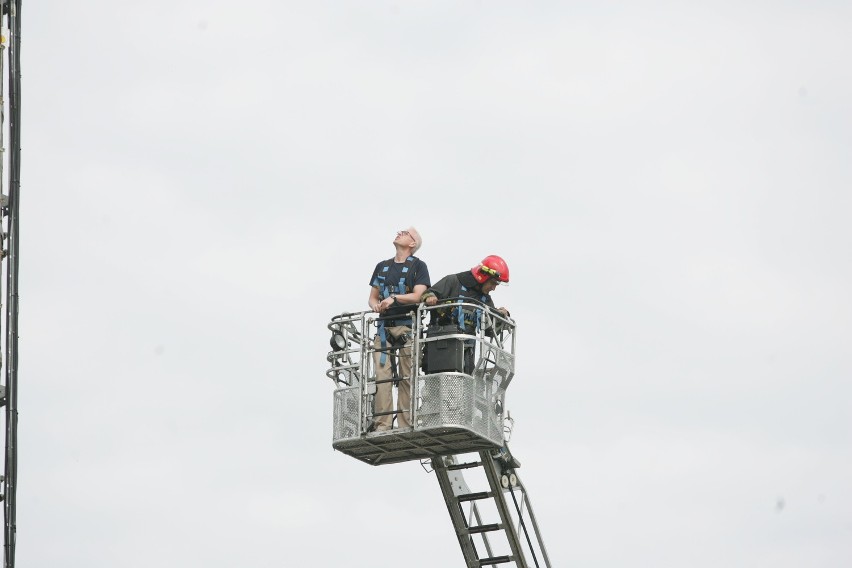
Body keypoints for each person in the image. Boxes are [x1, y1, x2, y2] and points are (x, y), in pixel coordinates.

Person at [367, 227, 431, 431]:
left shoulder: (419, 267)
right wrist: (375, 305)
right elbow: (372, 297)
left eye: (405, 233)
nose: (399, 233)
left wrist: (394, 298)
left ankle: (405, 424)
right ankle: (382, 424)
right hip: (385, 329)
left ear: (412, 244)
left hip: (407, 328)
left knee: (406, 379)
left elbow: (418, 295)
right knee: (382, 377)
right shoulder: (382, 267)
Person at [420, 255, 511, 374]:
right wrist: (430, 297)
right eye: (493, 283)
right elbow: (427, 294)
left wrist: (502, 316)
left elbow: (490, 330)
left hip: (466, 355)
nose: (493, 288)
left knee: (465, 387)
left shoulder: (485, 299)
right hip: (440, 349)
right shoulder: (453, 281)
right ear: (483, 276)